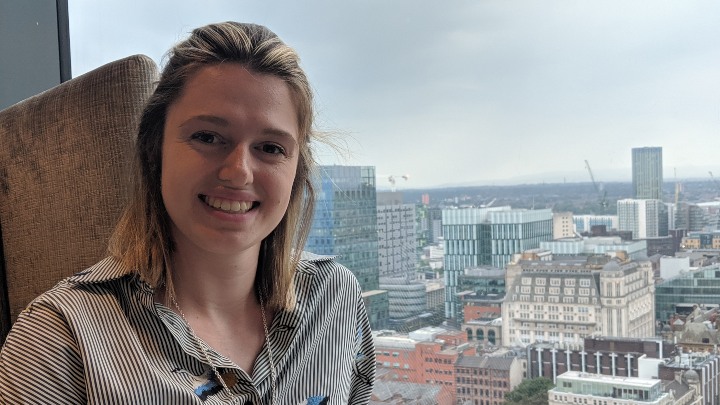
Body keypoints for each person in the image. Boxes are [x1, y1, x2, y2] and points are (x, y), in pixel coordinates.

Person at [0, 22, 375, 404]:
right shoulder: (59, 338)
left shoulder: (335, 299)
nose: (238, 172)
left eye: (270, 147)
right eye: (207, 137)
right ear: (155, 149)